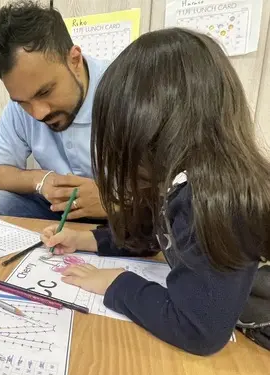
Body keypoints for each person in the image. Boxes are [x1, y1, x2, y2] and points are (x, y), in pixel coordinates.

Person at [41, 28, 270, 356]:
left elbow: (198, 330)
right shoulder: (183, 185)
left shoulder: (215, 200)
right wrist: (86, 240)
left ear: (151, 130)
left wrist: (117, 283)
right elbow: (154, 236)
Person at [0, 1, 108, 223]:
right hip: (58, 212)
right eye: (22, 102)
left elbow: (169, 191)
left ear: (74, 60)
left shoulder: (124, 89)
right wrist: (42, 180)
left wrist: (112, 202)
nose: (38, 113)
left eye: (45, 91)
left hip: (125, 216)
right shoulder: (22, 105)